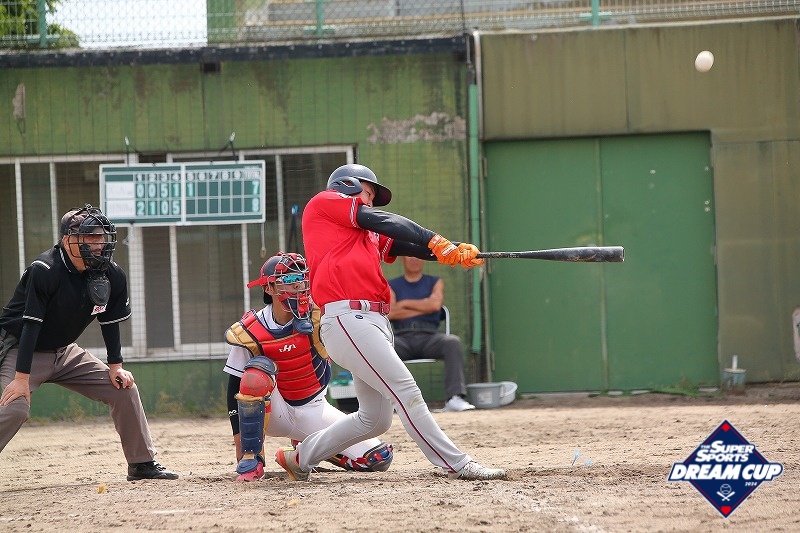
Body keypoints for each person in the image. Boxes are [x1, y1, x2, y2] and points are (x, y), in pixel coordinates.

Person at [274, 163, 506, 481]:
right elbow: (386, 220)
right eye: (368, 193)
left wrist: (451, 251)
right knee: (406, 390)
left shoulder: (363, 233)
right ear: (347, 185)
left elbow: (404, 243)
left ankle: (300, 458)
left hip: (374, 321)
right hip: (348, 319)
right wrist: (437, 240)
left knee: (374, 420)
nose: (370, 202)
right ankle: (456, 463)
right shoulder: (324, 203)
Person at [0, 204, 178, 481]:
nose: (98, 244)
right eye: (90, 236)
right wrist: (21, 379)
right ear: (66, 240)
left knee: (124, 389)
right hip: (22, 348)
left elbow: (109, 321)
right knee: (15, 407)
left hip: (65, 352)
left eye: (101, 237)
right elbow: (30, 326)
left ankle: (142, 464)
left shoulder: (111, 273)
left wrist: (116, 366)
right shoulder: (44, 270)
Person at [224, 251, 393, 481]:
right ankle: (253, 459)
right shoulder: (250, 330)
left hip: (314, 407)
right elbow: (233, 390)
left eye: (302, 279)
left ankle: (299, 454)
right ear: (269, 288)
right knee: (255, 375)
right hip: (275, 412)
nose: (298, 286)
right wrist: (241, 450)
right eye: (289, 280)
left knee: (377, 458)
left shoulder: (321, 315)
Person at [388, 256, 475, 412]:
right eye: (409, 255)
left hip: (430, 337)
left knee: (452, 342)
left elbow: (435, 305)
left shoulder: (435, 281)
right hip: (402, 337)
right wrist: (424, 306)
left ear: (423, 259)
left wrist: (404, 303)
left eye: (417, 256)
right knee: (382, 348)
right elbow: (391, 312)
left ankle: (454, 398)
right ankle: (388, 404)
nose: (414, 259)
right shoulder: (391, 285)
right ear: (402, 259)